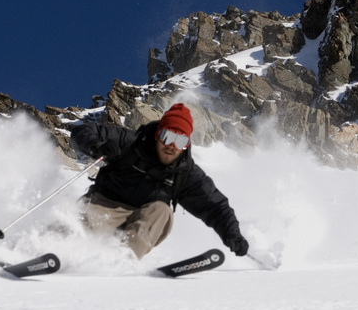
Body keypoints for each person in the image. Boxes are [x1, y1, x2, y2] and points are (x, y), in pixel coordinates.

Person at [69, 103, 249, 259]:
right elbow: (81, 131)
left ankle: (122, 258)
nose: (172, 146)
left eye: (180, 141)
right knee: (76, 232)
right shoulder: (130, 143)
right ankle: (56, 250)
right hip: (105, 205)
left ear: (186, 145)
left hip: (144, 220)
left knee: (163, 211)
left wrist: (233, 235)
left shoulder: (185, 172)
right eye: (168, 136)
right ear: (158, 134)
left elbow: (215, 207)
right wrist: (97, 146)